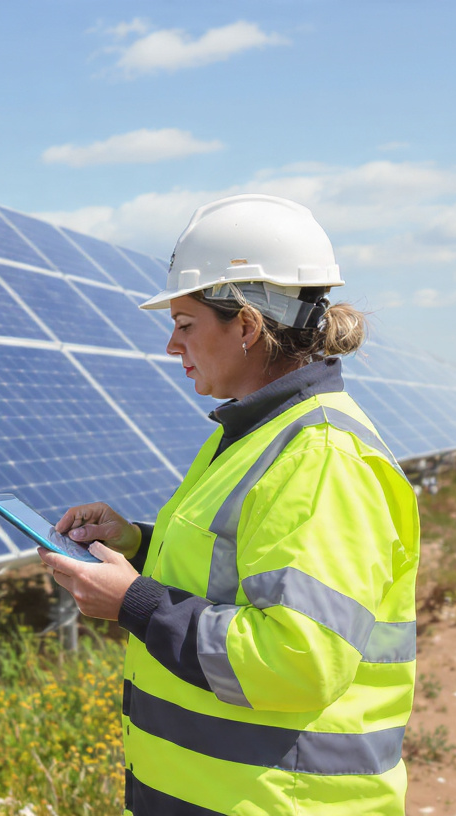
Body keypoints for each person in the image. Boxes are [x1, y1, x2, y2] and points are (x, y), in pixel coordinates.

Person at [42, 194, 419, 815]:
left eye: (185, 324)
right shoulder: (255, 435)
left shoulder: (321, 456)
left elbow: (297, 660)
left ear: (245, 326)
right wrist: (137, 543)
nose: (172, 345)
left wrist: (133, 602)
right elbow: (238, 567)